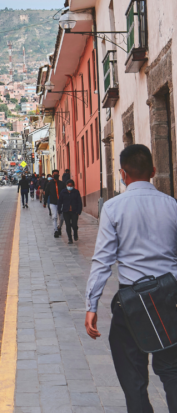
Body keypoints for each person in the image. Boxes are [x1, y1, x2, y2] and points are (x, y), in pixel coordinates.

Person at [85, 144, 177, 412]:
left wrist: (92, 306)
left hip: (132, 303)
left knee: (133, 377)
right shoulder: (172, 205)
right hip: (168, 299)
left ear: (122, 174)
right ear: (154, 171)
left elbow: (103, 261)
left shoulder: (113, 208)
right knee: (172, 370)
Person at [57, 179, 82, 244]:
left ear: (73, 186)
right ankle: (70, 238)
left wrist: (79, 211)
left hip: (74, 211)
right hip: (66, 211)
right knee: (68, 225)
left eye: (71, 186)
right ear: (66, 185)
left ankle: (75, 234)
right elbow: (60, 202)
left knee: (74, 225)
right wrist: (59, 211)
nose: (70, 187)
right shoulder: (63, 192)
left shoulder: (76, 192)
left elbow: (79, 202)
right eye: (68, 185)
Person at [44, 170, 65, 237]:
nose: (55, 175)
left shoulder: (62, 184)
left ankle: (59, 227)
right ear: (52, 175)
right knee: (54, 217)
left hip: (61, 203)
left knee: (61, 218)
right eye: (54, 174)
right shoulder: (49, 184)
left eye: (57, 174)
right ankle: (55, 230)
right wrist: (44, 202)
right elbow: (46, 194)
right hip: (53, 203)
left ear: (58, 175)